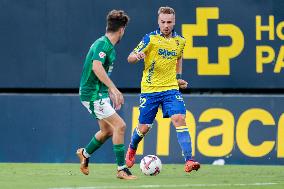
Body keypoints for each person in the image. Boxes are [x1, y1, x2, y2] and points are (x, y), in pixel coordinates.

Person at [125, 6, 200, 173]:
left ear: (174, 22)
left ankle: (189, 160)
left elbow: (179, 57)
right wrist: (136, 57)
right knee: (144, 128)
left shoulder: (180, 41)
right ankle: (132, 147)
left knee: (179, 118)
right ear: (158, 22)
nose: (166, 25)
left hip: (170, 89)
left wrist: (178, 77)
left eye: (169, 22)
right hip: (150, 90)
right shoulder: (150, 39)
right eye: (163, 22)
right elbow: (130, 57)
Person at [76, 9, 137, 180]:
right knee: (121, 126)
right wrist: (114, 89)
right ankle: (121, 169)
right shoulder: (103, 45)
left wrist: (107, 90)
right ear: (122, 29)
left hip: (98, 92)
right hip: (92, 95)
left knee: (108, 130)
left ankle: (85, 153)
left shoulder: (106, 45)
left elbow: (99, 72)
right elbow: (96, 67)